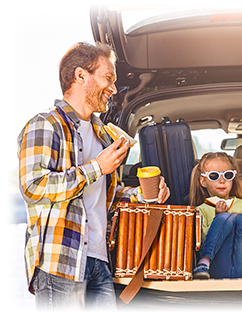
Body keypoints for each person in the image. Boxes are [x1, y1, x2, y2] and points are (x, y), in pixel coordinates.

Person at [17, 42, 170, 310]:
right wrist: (97, 168)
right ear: (80, 76)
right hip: (62, 261)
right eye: (108, 78)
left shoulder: (102, 134)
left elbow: (104, 194)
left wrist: (142, 195)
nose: (113, 88)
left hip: (100, 260)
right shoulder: (45, 124)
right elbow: (34, 187)